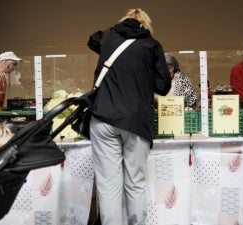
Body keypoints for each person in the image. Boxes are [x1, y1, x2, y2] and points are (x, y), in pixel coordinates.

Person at [87, 8, 171, 225]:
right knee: (135, 183)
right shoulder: (152, 45)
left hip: (104, 118)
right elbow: (163, 87)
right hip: (136, 121)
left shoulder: (108, 37)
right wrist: (142, 76)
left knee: (108, 185)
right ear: (146, 25)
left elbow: (92, 40)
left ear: (123, 21)